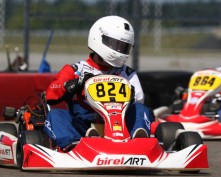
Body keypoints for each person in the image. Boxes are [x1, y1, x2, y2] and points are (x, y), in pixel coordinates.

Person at [43, 15, 154, 151]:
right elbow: (51, 95)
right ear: (99, 39)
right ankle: (76, 144)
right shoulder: (76, 69)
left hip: (120, 124)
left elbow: (139, 100)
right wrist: (72, 85)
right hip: (83, 124)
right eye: (116, 45)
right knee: (55, 115)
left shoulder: (128, 74)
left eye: (124, 47)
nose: (119, 51)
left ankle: (139, 141)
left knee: (141, 109)